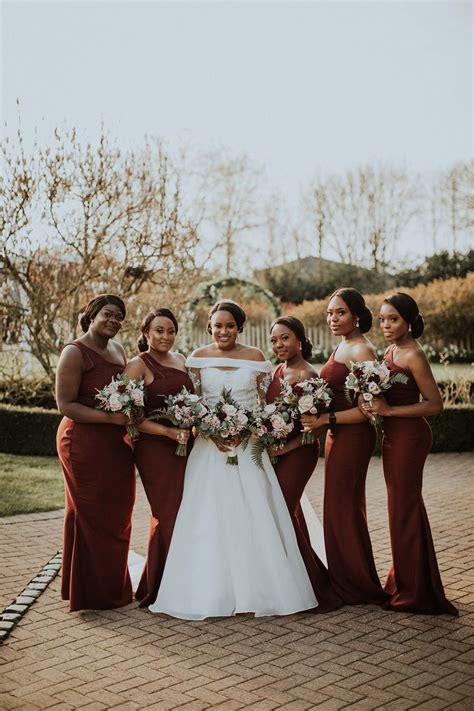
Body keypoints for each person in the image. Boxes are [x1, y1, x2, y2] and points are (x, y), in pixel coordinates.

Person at [148, 300, 318, 619]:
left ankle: (263, 588)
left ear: (239, 327)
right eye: (217, 325)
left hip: (247, 444)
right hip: (208, 448)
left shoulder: (257, 358)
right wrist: (211, 430)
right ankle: (204, 589)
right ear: (209, 327)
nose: (223, 331)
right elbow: (194, 402)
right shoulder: (196, 358)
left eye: (230, 325)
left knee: (254, 510)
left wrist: (248, 429)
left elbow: (266, 403)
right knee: (206, 512)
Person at [359, 293, 457, 615]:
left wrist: (389, 410)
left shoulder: (414, 354)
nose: (386, 325)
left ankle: (416, 592)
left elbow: (435, 404)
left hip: (410, 438)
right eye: (383, 319)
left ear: (409, 321)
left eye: (394, 319)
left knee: (404, 509)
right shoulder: (390, 350)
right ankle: (406, 581)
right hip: (393, 436)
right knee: (401, 509)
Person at [301, 288, 388, 606]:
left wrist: (326, 417)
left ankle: (355, 585)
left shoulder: (362, 350)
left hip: (352, 437)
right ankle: (349, 577)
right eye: (329, 313)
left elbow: (368, 410)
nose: (332, 319)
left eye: (340, 313)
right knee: (341, 508)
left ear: (356, 315)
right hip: (337, 435)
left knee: (343, 508)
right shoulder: (344, 344)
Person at [56, 294, 135, 611]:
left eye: (120, 317)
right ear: (90, 315)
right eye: (108, 314)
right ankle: (92, 594)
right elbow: (66, 405)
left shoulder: (119, 350)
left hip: (115, 444)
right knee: (90, 513)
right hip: (82, 442)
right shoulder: (74, 352)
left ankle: (111, 586)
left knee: (118, 511)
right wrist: (108, 418)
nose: (114, 321)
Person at [267, 316, 343, 613]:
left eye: (285, 338)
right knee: (289, 514)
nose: (279, 345)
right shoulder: (276, 370)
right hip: (275, 452)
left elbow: (316, 428)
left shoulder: (309, 376)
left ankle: (311, 584)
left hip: (298, 452)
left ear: (300, 339)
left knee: (280, 512)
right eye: (274, 340)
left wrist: (285, 447)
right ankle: (286, 580)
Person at [123, 308, 193, 607]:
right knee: (167, 514)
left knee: (184, 512)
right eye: (159, 331)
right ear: (146, 333)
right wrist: (167, 433)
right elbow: (131, 416)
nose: (166, 336)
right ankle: (159, 586)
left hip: (185, 447)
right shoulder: (137, 366)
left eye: (171, 331)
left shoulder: (181, 360)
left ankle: (179, 580)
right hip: (154, 448)